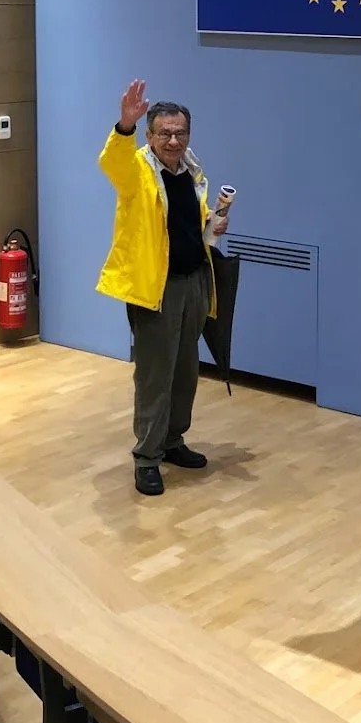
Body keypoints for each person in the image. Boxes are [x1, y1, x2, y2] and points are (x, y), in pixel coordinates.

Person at [97, 80, 228, 496]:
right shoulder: (136, 169)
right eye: (164, 133)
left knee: (186, 371)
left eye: (180, 132)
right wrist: (124, 125)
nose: (173, 140)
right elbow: (111, 162)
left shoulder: (191, 169)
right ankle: (147, 457)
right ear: (150, 135)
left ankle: (173, 441)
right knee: (155, 375)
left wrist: (212, 225)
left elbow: (186, 223)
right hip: (156, 289)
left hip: (193, 282)